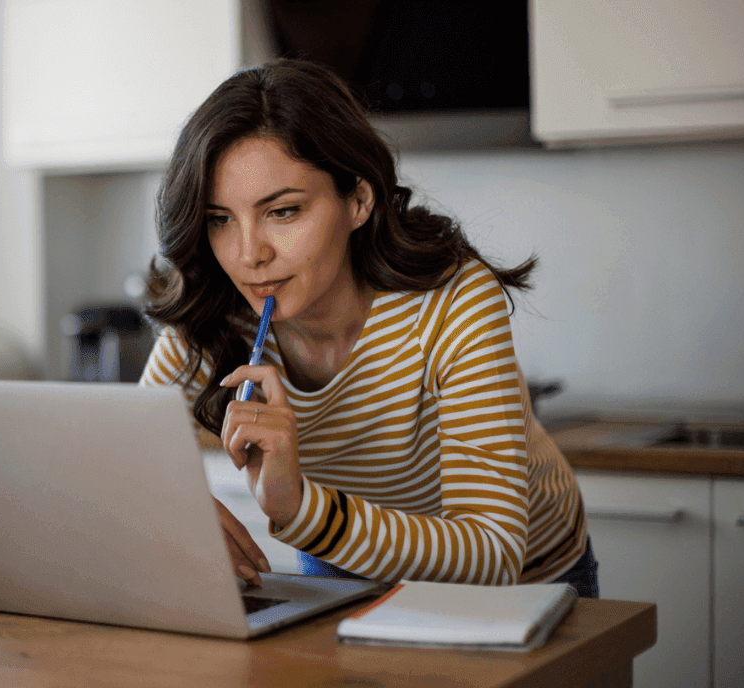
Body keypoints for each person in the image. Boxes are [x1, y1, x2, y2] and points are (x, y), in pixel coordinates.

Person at [138, 59, 598, 598]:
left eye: (282, 212)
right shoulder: (216, 307)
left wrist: (302, 510)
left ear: (358, 199)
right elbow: (126, 461)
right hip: (346, 560)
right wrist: (174, 508)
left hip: (523, 581)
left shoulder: (452, 299)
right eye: (220, 219)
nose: (248, 255)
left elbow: (492, 550)